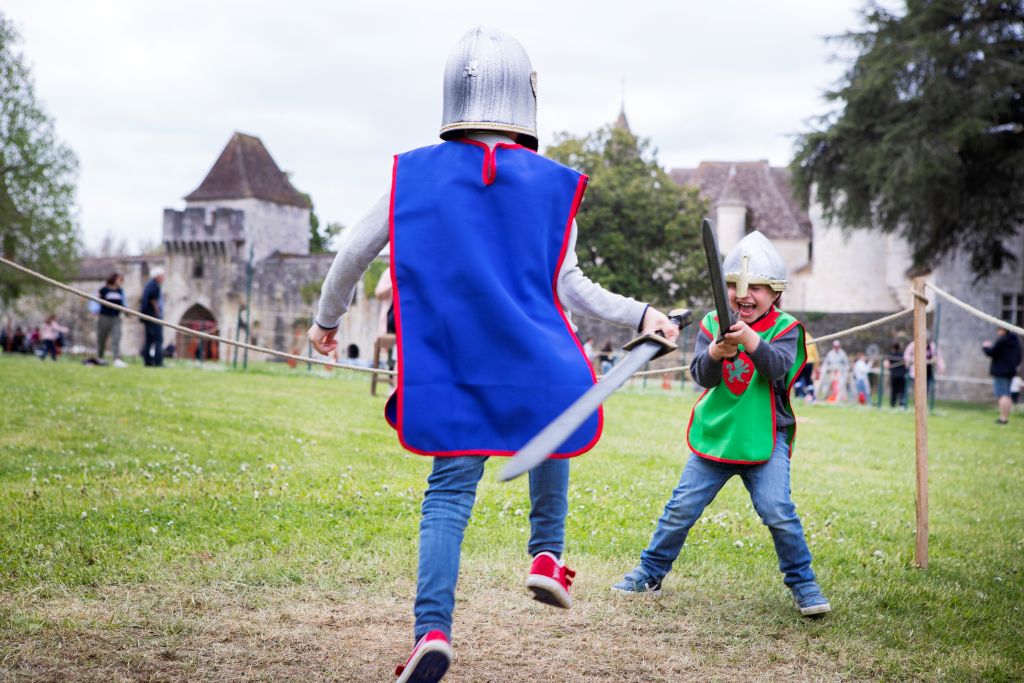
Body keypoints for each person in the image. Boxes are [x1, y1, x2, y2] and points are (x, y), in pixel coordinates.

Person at [307, 26, 678, 683]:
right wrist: (643, 312)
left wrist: (324, 322)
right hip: (536, 363)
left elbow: (351, 254)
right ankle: (545, 553)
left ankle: (432, 632)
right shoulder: (551, 186)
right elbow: (572, 286)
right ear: (525, 102)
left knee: (448, 494)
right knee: (555, 426)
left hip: (455, 371)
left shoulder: (415, 176)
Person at [611, 230, 830, 618]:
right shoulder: (714, 323)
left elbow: (778, 370)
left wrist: (748, 340)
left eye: (757, 288)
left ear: (775, 293)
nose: (744, 295)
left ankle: (803, 583)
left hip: (765, 439)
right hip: (716, 437)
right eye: (735, 286)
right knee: (680, 508)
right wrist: (715, 350)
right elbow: (703, 376)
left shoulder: (788, 329)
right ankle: (650, 573)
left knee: (778, 510)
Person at [982, 327, 1022, 425]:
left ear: (1003, 330)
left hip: (1000, 372)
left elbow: (991, 352)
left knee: (1002, 395)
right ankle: (1005, 417)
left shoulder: (1002, 340)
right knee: (1007, 395)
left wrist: (985, 347)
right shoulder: (1015, 341)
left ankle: (1003, 418)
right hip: (1010, 371)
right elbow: (1019, 357)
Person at [97, 272, 127, 367]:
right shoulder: (103, 290)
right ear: (113, 279)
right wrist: (94, 310)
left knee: (116, 338)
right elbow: (94, 302)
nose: (120, 282)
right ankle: (100, 358)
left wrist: (127, 312)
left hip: (116, 318)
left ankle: (116, 359)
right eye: (119, 279)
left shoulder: (120, 291)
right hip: (104, 317)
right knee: (102, 338)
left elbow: (123, 303)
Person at [903, 335, 944, 403]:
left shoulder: (932, 346)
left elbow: (938, 357)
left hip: (928, 372)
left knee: (925, 389)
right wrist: (910, 361)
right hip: (915, 371)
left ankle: (922, 403)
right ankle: (905, 402)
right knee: (914, 388)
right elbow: (906, 355)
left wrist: (941, 366)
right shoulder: (913, 345)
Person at [140, 267, 165, 367]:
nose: (164, 278)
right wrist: (157, 312)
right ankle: (157, 361)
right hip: (152, 316)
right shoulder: (154, 286)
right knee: (158, 339)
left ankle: (148, 362)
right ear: (158, 276)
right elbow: (152, 299)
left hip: (148, 316)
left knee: (149, 340)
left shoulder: (150, 284)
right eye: (162, 276)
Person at [883, 342, 908, 408]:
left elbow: (886, 365)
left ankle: (893, 404)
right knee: (901, 391)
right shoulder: (902, 355)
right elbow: (906, 365)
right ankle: (901, 404)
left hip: (894, 376)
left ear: (893, 347)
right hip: (901, 375)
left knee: (894, 390)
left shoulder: (890, 355)